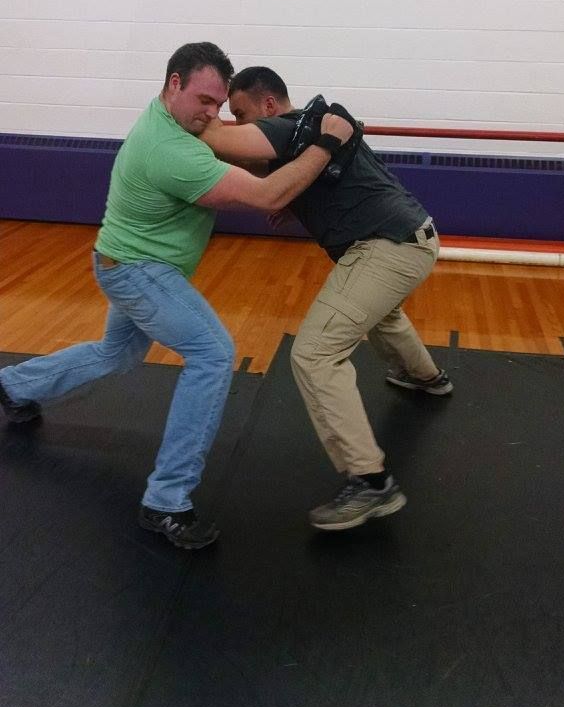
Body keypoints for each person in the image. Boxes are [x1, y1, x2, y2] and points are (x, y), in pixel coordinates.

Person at [0, 44, 353, 549]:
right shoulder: (172, 151)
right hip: (138, 272)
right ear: (174, 84)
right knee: (213, 354)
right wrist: (327, 143)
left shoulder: (173, 122)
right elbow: (266, 195)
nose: (211, 114)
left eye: (218, 104)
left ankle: (14, 385)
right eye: (204, 100)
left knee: (116, 353)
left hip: (119, 259)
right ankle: (166, 500)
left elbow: (239, 159)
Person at [202, 66, 453, 532]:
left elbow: (218, 141)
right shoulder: (308, 134)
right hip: (414, 237)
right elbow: (322, 179)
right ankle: (426, 377)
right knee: (381, 314)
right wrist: (302, 206)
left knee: (314, 353)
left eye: (240, 113)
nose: (238, 123)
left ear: (270, 105)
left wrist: (189, 104)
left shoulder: (284, 127)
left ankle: (372, 484)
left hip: (387, 247)